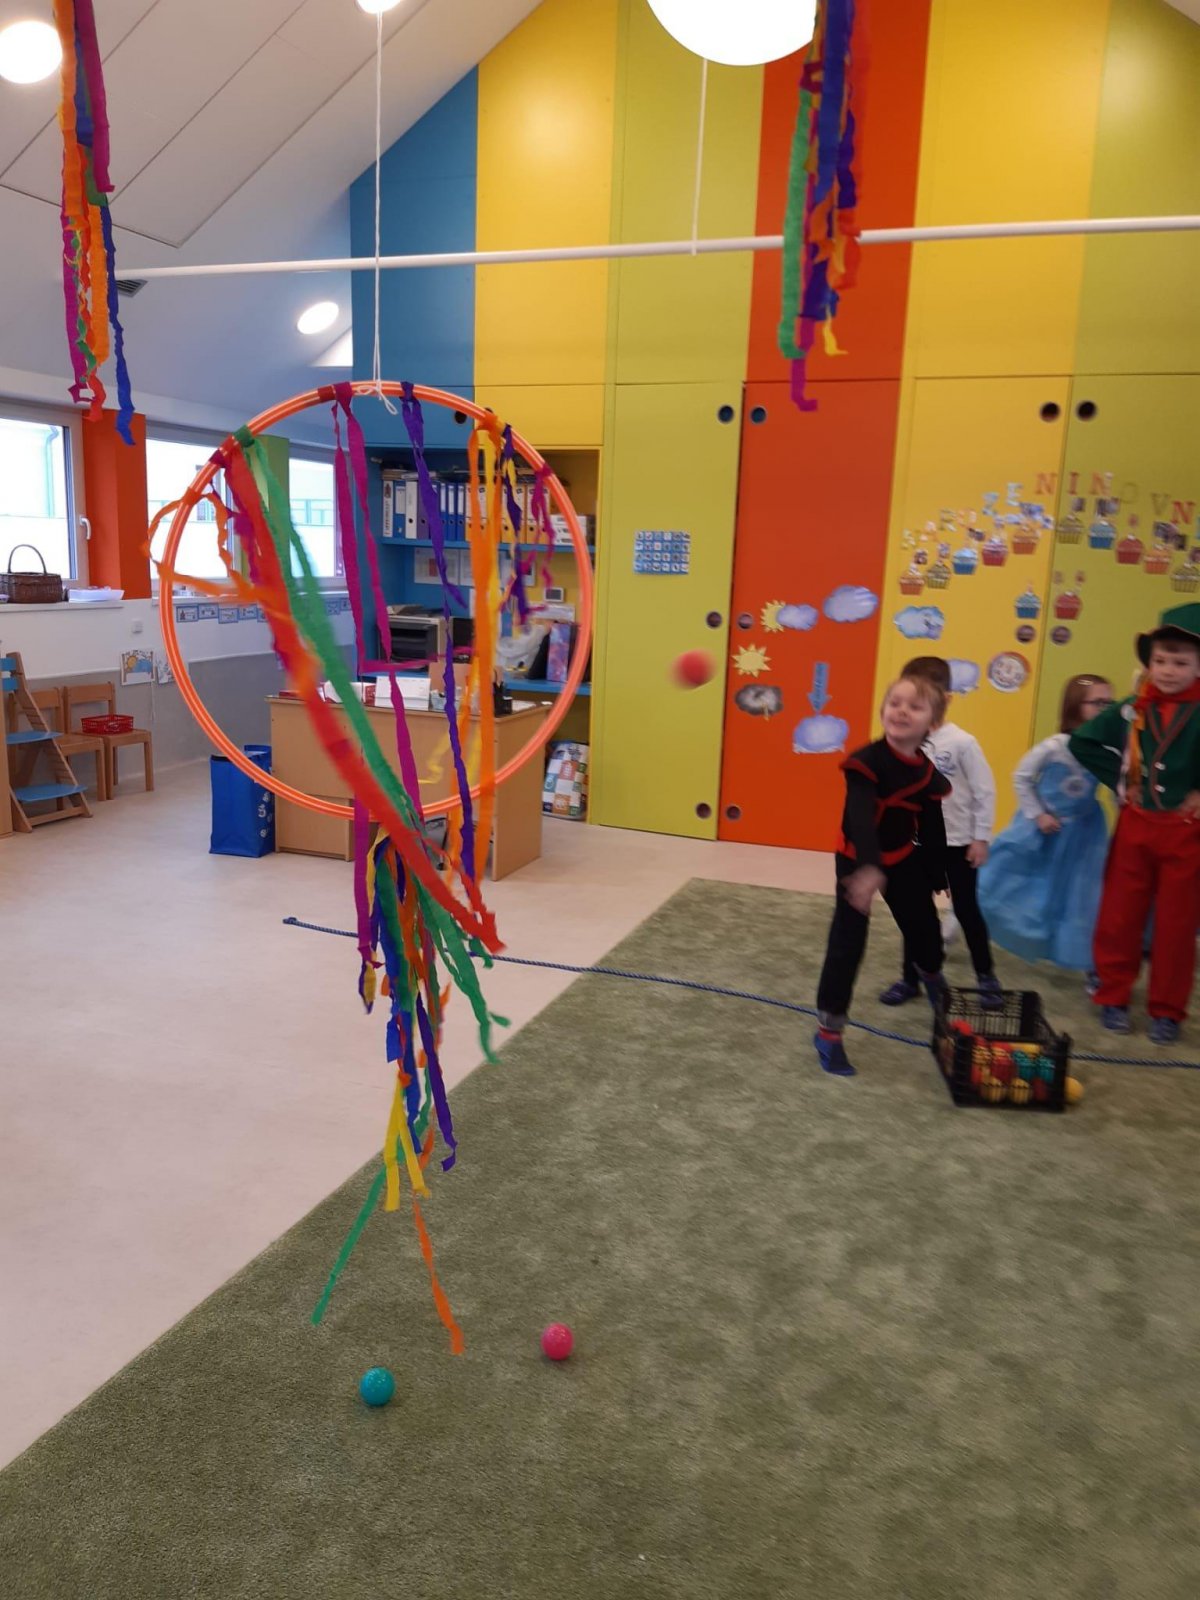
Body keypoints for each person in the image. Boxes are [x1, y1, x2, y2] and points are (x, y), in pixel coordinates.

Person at [1070, 617, 1200, 1043]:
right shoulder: (1132, 706)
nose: (1168, 670)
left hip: (1186, 833)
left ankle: (1167, 1010)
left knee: (1177, 925)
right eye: (1160, 661)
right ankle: (1113, 996)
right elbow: (1082, 742)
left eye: (1180, 662)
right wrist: (1122, 781)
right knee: (1119, 915)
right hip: (1136, 828)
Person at [814, 675, 951, 1076]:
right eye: (895, 703)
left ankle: (932, 977)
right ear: (883, 711)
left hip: (902, 856)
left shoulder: (925, 771)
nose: (901, 711)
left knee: (924, 927)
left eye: (914, 706)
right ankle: (829, 1031)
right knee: (848, 941)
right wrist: (869, 868)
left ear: (932, 724)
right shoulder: (866, 763)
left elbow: (932, 824)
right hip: (857, 860)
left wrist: (937, 873)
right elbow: (859, 817)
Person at [877, 656, 1002, 1011]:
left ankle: (986, 976)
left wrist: (980, 838)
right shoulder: (898, 741)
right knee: (914, 914)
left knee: (966, 909)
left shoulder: (962, 742)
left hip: (958, 843)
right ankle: (911, 978)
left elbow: (984, 792)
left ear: (945, 699)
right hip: (914, 845)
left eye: (919, 700)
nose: (908, 709)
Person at [977, 675, 1114, 975]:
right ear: (1076, 706)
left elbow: (1119, 786)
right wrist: (1038, 814)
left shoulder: (1108, 751)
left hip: (1084, 834)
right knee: (1006, 873)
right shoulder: (1055, 746)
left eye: (1109, 703)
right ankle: (963, 919)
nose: (1105, 709)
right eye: (1097, 703)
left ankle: (1084, 957)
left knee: (1081, 892)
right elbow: (1021, 777)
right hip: (1041, 828)